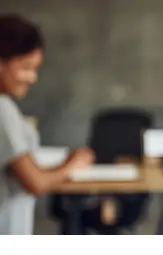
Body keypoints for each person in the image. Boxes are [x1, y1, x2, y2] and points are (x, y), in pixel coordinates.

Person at [0, 14, 95, 235]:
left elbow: (18, 173)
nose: (32, 78)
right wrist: (73, 165)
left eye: (35, 69)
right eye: (25, 67)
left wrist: (62, 165)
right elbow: (35, 183)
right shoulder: (2, 109)